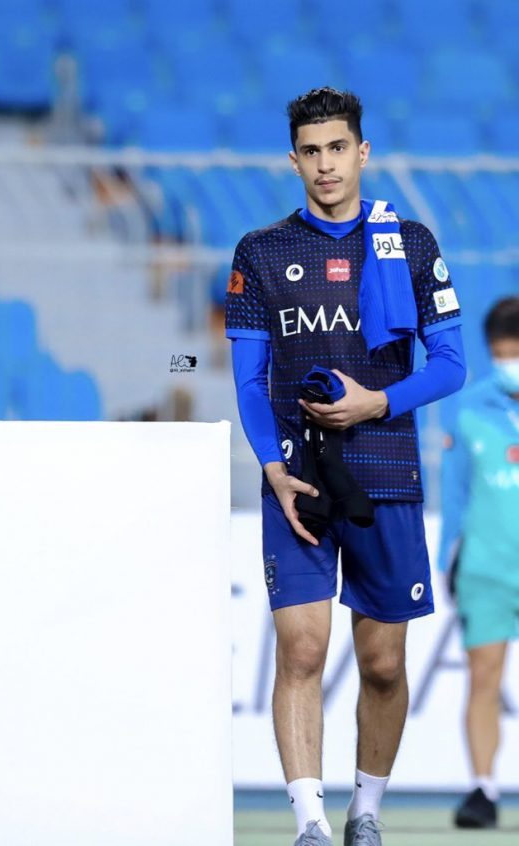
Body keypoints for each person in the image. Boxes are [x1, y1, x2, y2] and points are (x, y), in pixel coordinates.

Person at [225, 87, 466, 846]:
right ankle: (310, 824)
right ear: (292, 160)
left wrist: (376, 402)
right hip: (297, 479)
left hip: (387, 473)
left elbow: (451, 365)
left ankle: (366, 813)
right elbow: (249, 380)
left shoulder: (411, 243)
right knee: (301, 647)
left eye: (337, 148)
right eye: (311, 151)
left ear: (362, 152)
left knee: (384, 664)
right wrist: (271, 466)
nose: (325, 164)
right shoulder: (260, 251)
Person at [438, 295, 519, 830]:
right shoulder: (470, 409)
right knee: (483, 676)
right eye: (501, 353)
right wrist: (448, 559)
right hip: (486, 568)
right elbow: (455, 493)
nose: (509, 363)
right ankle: (483, 789)